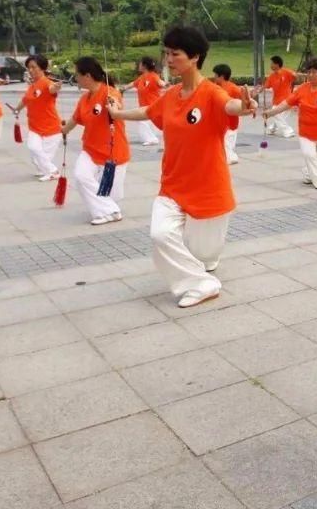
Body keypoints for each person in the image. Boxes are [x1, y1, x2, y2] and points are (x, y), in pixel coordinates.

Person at [110, 26, 256, 308]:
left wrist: (244, 106)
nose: (168, 60)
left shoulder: (211, 93)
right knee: (160, 234)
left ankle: (201, 271)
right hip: (173, 186)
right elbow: (148, 111)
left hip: (208, 190)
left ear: (195, 57)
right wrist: (117, 114)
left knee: (203, 255)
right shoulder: (172, 94)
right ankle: (202, 284)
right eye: (166, 54)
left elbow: (229, 106)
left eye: (175, 54)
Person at [61, 57, 130, 225]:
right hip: (90, 150)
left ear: (88, 76)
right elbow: (75, 119)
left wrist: (113, 106)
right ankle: (110, 212)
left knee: (113, 196)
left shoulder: (109, 92)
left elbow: (116, 104)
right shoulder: (84, 99)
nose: (75, 78)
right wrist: (63, 131)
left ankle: (107, 211)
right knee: (81, 176)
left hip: (113, 153)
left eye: (77, 75)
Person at [263, 58, 317, 189]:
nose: (310, 75)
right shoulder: (302, 89)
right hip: (306, 132)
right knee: (309, 155)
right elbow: (287, 103)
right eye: (309, 72)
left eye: (315, 72)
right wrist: (271, 112)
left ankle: (310, 175)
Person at [7, 54, 63, 180]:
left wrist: (56, 87)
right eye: (29, 67)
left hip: (50, 128)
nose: (31, 70)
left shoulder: (47, 83)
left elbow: (52, 89)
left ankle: (53, 172)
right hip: (34, 126)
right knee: (34, 150)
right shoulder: (32, 85)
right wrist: (17, 109)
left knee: (41, 154)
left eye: (34, 67)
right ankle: (46, 169)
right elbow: (26, 100)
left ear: (42, 68)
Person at [120, 56, 165, 146]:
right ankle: (150, 137)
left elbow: (160, 82)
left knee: (141, 121)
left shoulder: (153, 76)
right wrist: (122, 89)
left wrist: (163, 84)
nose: (139, 65)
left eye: (140, 63)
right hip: (144, 106)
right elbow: (133, 84)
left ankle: (151, 139)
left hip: (153, 106)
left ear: (144, 66)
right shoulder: (142, 78)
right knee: (147, 123)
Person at [258, 55, 300, 138]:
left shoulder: (286, 72)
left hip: (287, 101)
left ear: (277, 64)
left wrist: (296, 75)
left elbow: (295, 77)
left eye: (272, 63)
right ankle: (272, 128)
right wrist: (258, 90)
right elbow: (265, 86)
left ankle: (288, 131)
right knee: (279, 117)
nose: (270, 65)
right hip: (276, 102)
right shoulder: (271, 76)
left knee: (276, 115)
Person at [212, 64, 243, 164]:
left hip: (231, 123)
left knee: (227, 145)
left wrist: (250, 109)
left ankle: (231, 158)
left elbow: (244, 102)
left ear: (221, 76)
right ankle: (228, 158)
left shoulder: (233, 88)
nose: (214, 77)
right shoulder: (216, 87)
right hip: (220, 122)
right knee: (225, 145)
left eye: (215, 75)